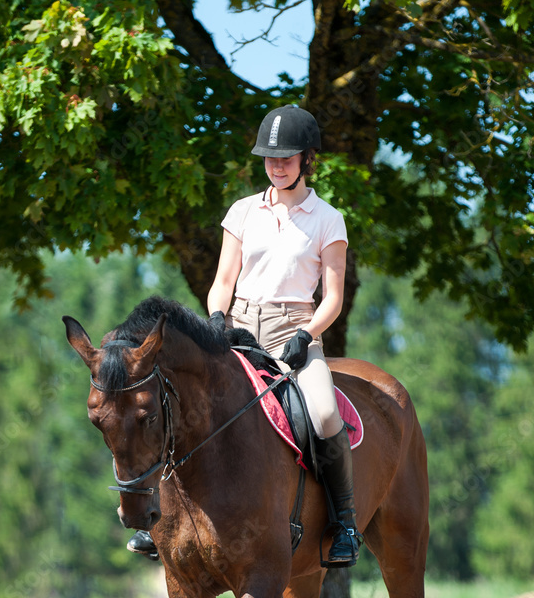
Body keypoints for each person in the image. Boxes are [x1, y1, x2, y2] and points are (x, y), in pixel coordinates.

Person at [129, 105, 360, 567]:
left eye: (286, 158)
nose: (276, 166)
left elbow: (333, 297)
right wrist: (217, 317)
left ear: (307, 159)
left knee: (324, 414)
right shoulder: (243, 211)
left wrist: (306, 334)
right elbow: (223, 279)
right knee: (184, 408)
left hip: (295, 330)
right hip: (237, 331)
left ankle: (345, 523)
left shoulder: (327, 219)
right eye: (270, 159)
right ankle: (160, 522)